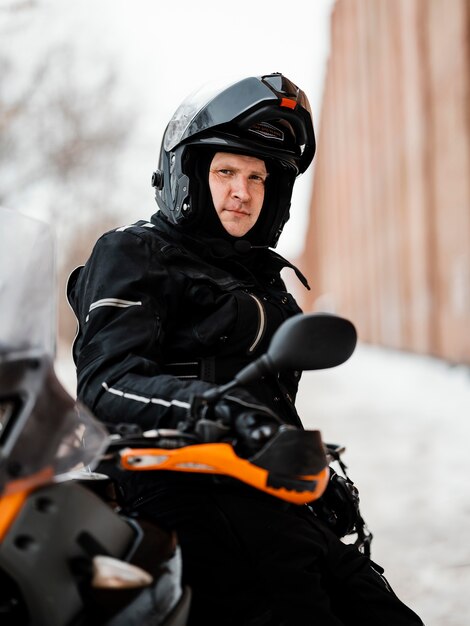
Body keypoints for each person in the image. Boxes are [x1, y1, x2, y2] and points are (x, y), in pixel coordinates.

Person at [68, 73, 424, 625]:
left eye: (258, 177)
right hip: (183, 489)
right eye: (226, 171)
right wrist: (212, 408)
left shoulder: (261, 279)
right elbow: (106, 379)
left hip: (266, 494)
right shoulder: (134, 252)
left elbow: (264, 388)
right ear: (188, 176)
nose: (243, 191)